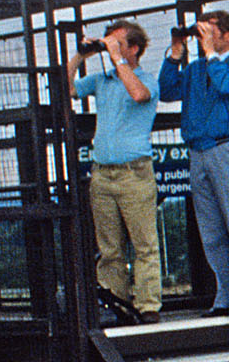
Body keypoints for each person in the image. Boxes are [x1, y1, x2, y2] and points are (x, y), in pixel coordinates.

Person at [160, 10, 229, 316]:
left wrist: (211, 55)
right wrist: (175, 54)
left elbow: (226, 86)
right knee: (211, 229)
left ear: (228, 35)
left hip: (227, 148)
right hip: (198, 152)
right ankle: (224, 294)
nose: (204, 36)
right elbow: (166, 90)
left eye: (209, 30)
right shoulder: (194, 70)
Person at [69, 20, 161, 324]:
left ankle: (148, 306)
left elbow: (138, 94)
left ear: (134, 48)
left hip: (134, 173)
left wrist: (119, 60)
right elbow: (66, 89)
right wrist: (79, 57)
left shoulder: (147, 79)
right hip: (103, 174)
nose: (110, 48)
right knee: (109, 248)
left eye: (118, 42)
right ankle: (116, 304)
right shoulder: (102, 80)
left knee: (144, 244)